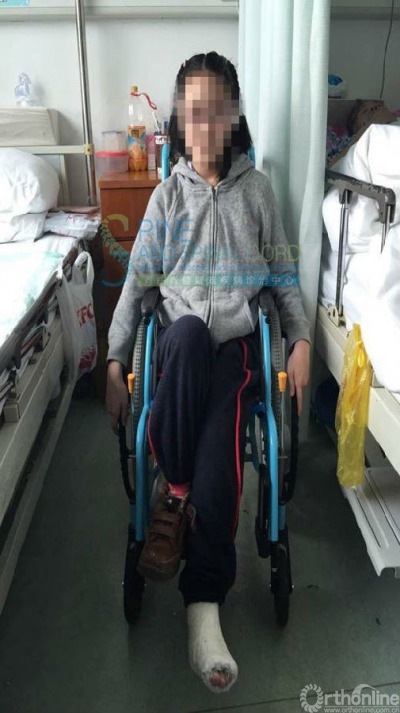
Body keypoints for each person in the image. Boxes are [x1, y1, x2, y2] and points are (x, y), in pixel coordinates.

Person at [106, 51, 310, 694]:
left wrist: (301, 338)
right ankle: (178, 488)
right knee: (190, 333)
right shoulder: (167, 197)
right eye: (192, 113)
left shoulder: (258, 191)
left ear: (233, 118)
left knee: (223, 443)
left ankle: (202, 604)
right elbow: (138, 286)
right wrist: (115, 359)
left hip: (238, 350)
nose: (203, 124)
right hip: (180, 343)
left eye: (215, 111)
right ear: (179, 121)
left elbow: (282, 273)